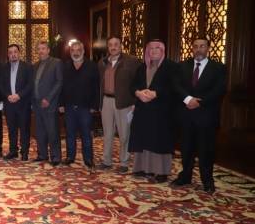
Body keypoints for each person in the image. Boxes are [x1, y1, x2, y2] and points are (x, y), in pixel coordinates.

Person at [171, 38, 227, 194]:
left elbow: (219, 90)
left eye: (202, 46)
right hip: (186, 115)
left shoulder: (218, 68)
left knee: (206, 150)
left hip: (206, 116)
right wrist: (188, 99)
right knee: (186, 148)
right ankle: (185, 177)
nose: (198, 49)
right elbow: (176, 85)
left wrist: (199, 102)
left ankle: (207, 181)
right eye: (195, 46)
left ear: (208, 48)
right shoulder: (182, 66)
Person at [128, 40, 177, 183]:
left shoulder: (171, 67)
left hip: (161, 111)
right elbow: (133, 85)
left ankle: (161, 172)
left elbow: (174, 87)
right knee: (143, 139)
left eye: (157, 48)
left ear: (163, 51)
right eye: (151, 48)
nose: (154, 51)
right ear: (147, 51)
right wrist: (138, 93)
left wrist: (156, 93)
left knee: (159, 141)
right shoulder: (142, 67)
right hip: (143, 110)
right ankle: (143, 168)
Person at [97, 36, 140, 172]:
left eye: (116, 44)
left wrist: (135, 102)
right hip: (106, 101)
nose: (113, 47)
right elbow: (99, 83)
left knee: (124, 134)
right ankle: (106, 161)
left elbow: (138, 82)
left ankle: (124, 163)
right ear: (108, 47)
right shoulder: (102, 62)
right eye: (110, 45)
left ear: (121, 45)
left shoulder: (131, 61)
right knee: (107, 133)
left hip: (124, 102)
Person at [60, 41, 99, 169]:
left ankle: (88, 159)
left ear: (83, 51)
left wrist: (94, 106)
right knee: (70, 134)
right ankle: (70, 157)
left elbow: (96, 87)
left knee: (86, 134)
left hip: (85, 107)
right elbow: (61, 86)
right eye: (73, 50)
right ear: (70, 52)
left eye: (78, 50)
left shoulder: (92, 66)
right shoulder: (66, 66)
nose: (75, 53)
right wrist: (61, 104)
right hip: (69, 106)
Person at [0, 44, 33, 161]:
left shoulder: (27, 67)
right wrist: (7, 95)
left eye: (15, 52)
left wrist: (19, 95)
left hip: (23, 103)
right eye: (10, 53)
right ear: (8, 55)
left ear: (19, 53)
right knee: (11, 129)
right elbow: (0, 84)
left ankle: (24, 152)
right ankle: (13, 151)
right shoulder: (4, 68)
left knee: (24, 129)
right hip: (9, 104)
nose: (13, 54)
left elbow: (30, 84)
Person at [31, 41, 63, 166]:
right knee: (40, 132)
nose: (41, 51)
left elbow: (59, 82)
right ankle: (42, 154)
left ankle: (56, 157)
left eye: (43, 48)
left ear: (48, 50)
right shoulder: (35, 65)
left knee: (52, 131)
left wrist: (48, 99)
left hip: (50, 104)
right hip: (37, 103)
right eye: (39, 49)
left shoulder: (56, 63)